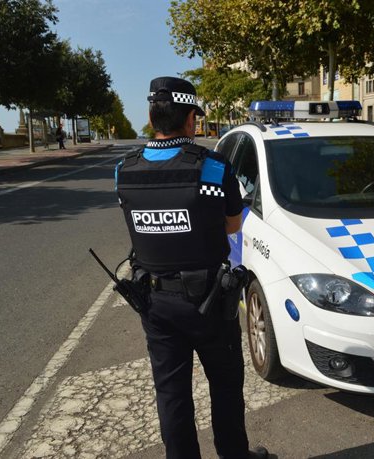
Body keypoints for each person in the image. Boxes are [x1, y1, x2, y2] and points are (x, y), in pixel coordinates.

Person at [114, 76, 268, 459]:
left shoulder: (124, 171)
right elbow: (233, 225)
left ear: (152, 118)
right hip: (211, 302)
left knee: (172, 395)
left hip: (155, 303)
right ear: (190, 121)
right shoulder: (213, 168)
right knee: (226, 388)